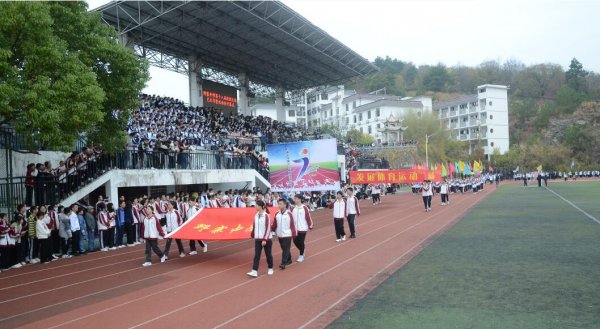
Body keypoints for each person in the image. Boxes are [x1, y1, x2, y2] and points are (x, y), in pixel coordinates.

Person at [247, 200, 273, 278]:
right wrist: (252, 234)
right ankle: (254, 271)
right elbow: (254, 226)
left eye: (256, 205)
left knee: (268, 254)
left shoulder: (266, 216)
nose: (255, 206)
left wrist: (265, 239)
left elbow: (268, 228)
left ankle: (270, 268)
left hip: (266, 239)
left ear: (261, 206)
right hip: (258, 239)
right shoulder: (256, 215)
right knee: (257, 255)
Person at [272, 199, 296, 270]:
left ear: (285, 204)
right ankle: (289, 259)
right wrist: (271, 229)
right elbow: (274, 224)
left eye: (280, 204)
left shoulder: (289, 214)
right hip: (280, 235)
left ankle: (283, 263)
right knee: (284, 248)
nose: (279, 205)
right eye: (278, 204)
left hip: (287, 234)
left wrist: (294, 234)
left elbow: (292, 225)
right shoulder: (277, 214)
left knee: (285, 248)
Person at [291, 194, 313, 263]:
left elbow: (308, 217)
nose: (294, 200)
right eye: (294, 198)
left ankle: (301, 255)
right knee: (295, 241)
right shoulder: (293, 208)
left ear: (300, 199)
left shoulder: (305, 208)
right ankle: (302, 249)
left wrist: (310, 225)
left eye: (296, 198)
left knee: (300, 241)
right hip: (295, 229)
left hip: (303, 228)